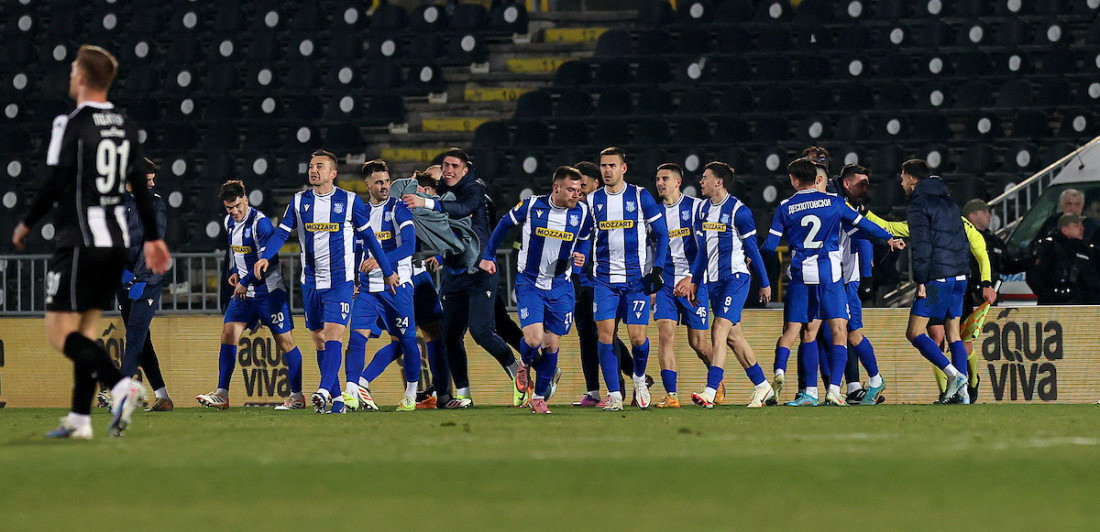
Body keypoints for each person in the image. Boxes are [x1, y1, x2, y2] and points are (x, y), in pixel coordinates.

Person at [11, 44, 171, 438]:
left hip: (81, 239)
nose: (69, 76)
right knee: (84, 330)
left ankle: (120, 384)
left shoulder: (71, 123)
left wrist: (27, 222)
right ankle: (80, 418)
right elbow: (140, 187)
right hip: (116, 241)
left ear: (82, 77)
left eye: (72, 71)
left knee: (59, 332)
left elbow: (53, 181)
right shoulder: (125, 124)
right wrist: (153, 238)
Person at [255, 149, 397, 414]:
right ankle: (338, 400)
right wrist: (265, 257)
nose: (313, 170)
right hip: (310, 282)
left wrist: (387, 271)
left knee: (334, 334)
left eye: (319, 166)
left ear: (333, 173)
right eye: (311, 165)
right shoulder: (299, 202)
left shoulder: (350, 201)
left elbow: (370, 240)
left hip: (340, 282)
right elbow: (281, 233)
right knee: (319, 340)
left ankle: (322, 390)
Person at [760, 159, 901, 407]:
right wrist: (888, 238)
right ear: (816, 179)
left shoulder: (785, 207)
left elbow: (771, 247)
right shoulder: (835, 203)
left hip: (803, 276)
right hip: (832, 276)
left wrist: (753, 260)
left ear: (794, 180)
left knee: (807, 333)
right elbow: (863, 225)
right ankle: (835, 389)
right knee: (840, 331)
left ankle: (808, 390)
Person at [402, 148, 527, 409]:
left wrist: (425, 199)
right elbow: (443, 227)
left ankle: (521, 371)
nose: (447, 171)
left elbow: (461, 210)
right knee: (452, 335)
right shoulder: (446, 192)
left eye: (453, 166)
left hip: (481, 269)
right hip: (454, 273)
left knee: (482, 331)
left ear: (465, 169)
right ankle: (464, 394)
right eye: (444, 167)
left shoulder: (473, 189)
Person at [480, 166, 592, 413]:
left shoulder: (582, 213)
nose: (576, 194)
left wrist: (581, 256)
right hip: (530, 282)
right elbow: (503, 225)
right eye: (571, 190)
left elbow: (584, 239)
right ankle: (523, 363)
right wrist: (488, 255)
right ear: (556, 188)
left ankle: (539, 397)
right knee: (533, 338)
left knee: (552, 345)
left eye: (579, 189)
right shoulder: (531, 206)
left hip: (561, 286)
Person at [196, 180, 306, 410]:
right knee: (228, 333)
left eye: (237, 206)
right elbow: (238, 254)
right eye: (229, 208)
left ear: (246, 200)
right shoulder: (229, 223)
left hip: (269, 293)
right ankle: (222, 394)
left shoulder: (261, 225)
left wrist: (245, 281)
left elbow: (269, 260)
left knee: (286, 343)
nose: (234, 212)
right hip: (245, 295)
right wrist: (236, 274)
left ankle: (297, 396)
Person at [674, 161, 773, 408]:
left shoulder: (739, 211)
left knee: (718, 329)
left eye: (705, 177)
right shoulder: (704, 211)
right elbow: (702, 253)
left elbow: (753, 250)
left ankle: (710, 390)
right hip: (715, 282)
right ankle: (763, 387)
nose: (701, 182)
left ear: (718, 182)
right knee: (733, 337)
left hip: (736, 278)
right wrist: (695, 282)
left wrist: (765, 283)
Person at [586, 147, 668, 411]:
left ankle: (640, 378)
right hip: (605, 281)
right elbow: (583, 236)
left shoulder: (640, 196)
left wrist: (658, 269)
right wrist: (581, 260)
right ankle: (614, 395)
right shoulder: (593, 201)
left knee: (637, 338)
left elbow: (662, 234)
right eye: (603, 166)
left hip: (637, 281)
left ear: (623, 168)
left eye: (612, 165)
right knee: (605, 336)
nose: (607, 170)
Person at [347, 160, 423, 412]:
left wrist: (379, 262)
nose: (384, 186)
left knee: (406, 342)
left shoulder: (398, 209)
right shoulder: (361, 212)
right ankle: (354, 387)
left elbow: (409, 247)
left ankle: (411, 393)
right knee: (356, 338)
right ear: (367, 184)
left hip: (396, 285)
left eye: (387, 181)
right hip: (368, 289)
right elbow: (357, 248)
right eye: (379, 182)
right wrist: (356, 280)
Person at [898, 159, 973, 404]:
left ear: (911, 178)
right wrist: (963, 272)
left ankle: (954, 376)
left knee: (915, 332)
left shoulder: (919, 205)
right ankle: (962, 395)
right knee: (954, 334)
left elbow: (921, 246)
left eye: (902, 177)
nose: (900, 182)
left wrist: (921, 279)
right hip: (960, 275)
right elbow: (963, 239)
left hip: (937, 276)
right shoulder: (949, 202)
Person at [568, 161, 636, 407]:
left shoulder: (602, 210)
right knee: (586, 336)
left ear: (596, 184)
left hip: (600, 281)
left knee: (605, 335)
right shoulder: (572, 209)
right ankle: (593, 391)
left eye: (583, 185)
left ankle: (620, 386)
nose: (578, 191)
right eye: (575, 186)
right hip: (578, 281)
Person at [652, 162, 716, 408]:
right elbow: (652, 250)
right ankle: (672, 395)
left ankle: (717, 382)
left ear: (678, 182)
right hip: (667, 284)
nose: (660, 183)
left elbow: (708, 246)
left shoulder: (698, 207)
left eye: (665, 179)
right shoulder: (655, 214)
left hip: (695, 284)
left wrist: (692, 278)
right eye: (658, 179)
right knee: (665, 335)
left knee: (698, 343)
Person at [117, 157, 173, 411]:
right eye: (147, 180)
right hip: (125, 280)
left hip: (147, 280)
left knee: (135, 338)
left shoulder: (156, 205)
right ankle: (163, 397)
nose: (151, 185)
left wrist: (137, 277)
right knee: (142, 341)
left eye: (152, 180)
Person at [1026, 214, 1100, 305]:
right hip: (1052, 307)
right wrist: (1050, 295)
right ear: (1065, 230)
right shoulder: (1050, 248)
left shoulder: (1087, 251)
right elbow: (1034, 275)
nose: (1082, 229)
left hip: (1082, 309)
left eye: (1082, 225)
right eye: (1076, 226)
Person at [1030, 188, 1099, 249]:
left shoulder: (1093, 226)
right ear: (1062, 205)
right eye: (1069, 204)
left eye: (1077, 204)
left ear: (1082, 206)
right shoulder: (1052, 221)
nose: (1073, 208)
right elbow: (1035, 244)